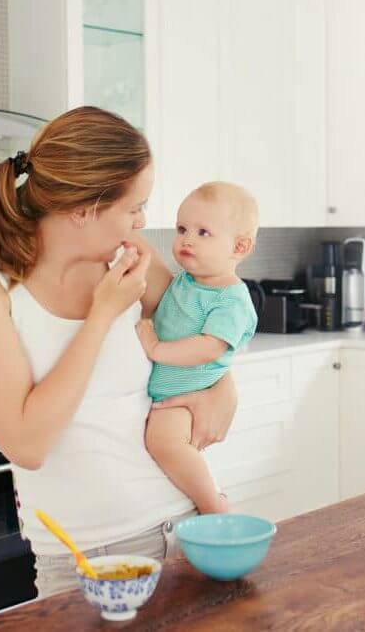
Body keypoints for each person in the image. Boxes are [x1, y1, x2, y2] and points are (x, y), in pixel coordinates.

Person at [0, 106, 238, 598]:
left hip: (189, 527)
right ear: (82, 209)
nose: (142, 220)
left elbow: (205, 346)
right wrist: (102, 317)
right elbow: (28, 443)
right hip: (91, 563)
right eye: (133, 207)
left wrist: (225, 387)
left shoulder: (129, 259)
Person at [136, 182, 259, 514]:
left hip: (187, 397)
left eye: (204, 232)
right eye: (182, 229)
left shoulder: (230, 298)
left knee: (163, 443)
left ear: (240, 246)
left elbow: (209, 348)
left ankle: (213, 505)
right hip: (169, 394)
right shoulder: (186, 281)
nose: (187, 239)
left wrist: (156, 348)